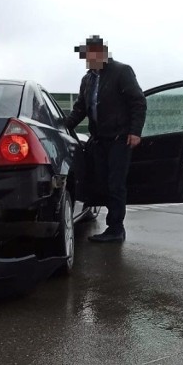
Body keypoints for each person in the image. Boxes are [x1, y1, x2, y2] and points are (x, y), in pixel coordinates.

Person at [63, 35, 147, 243]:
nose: (87, 58)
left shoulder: (121, 72)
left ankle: (116, 228)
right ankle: (109, 222)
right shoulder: (88, 79)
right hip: (99, 141)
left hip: (119, 138)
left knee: (115, 183)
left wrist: (135, 131)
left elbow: (138, 102)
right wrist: (62, 127)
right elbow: (81, 108)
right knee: (100, 182)